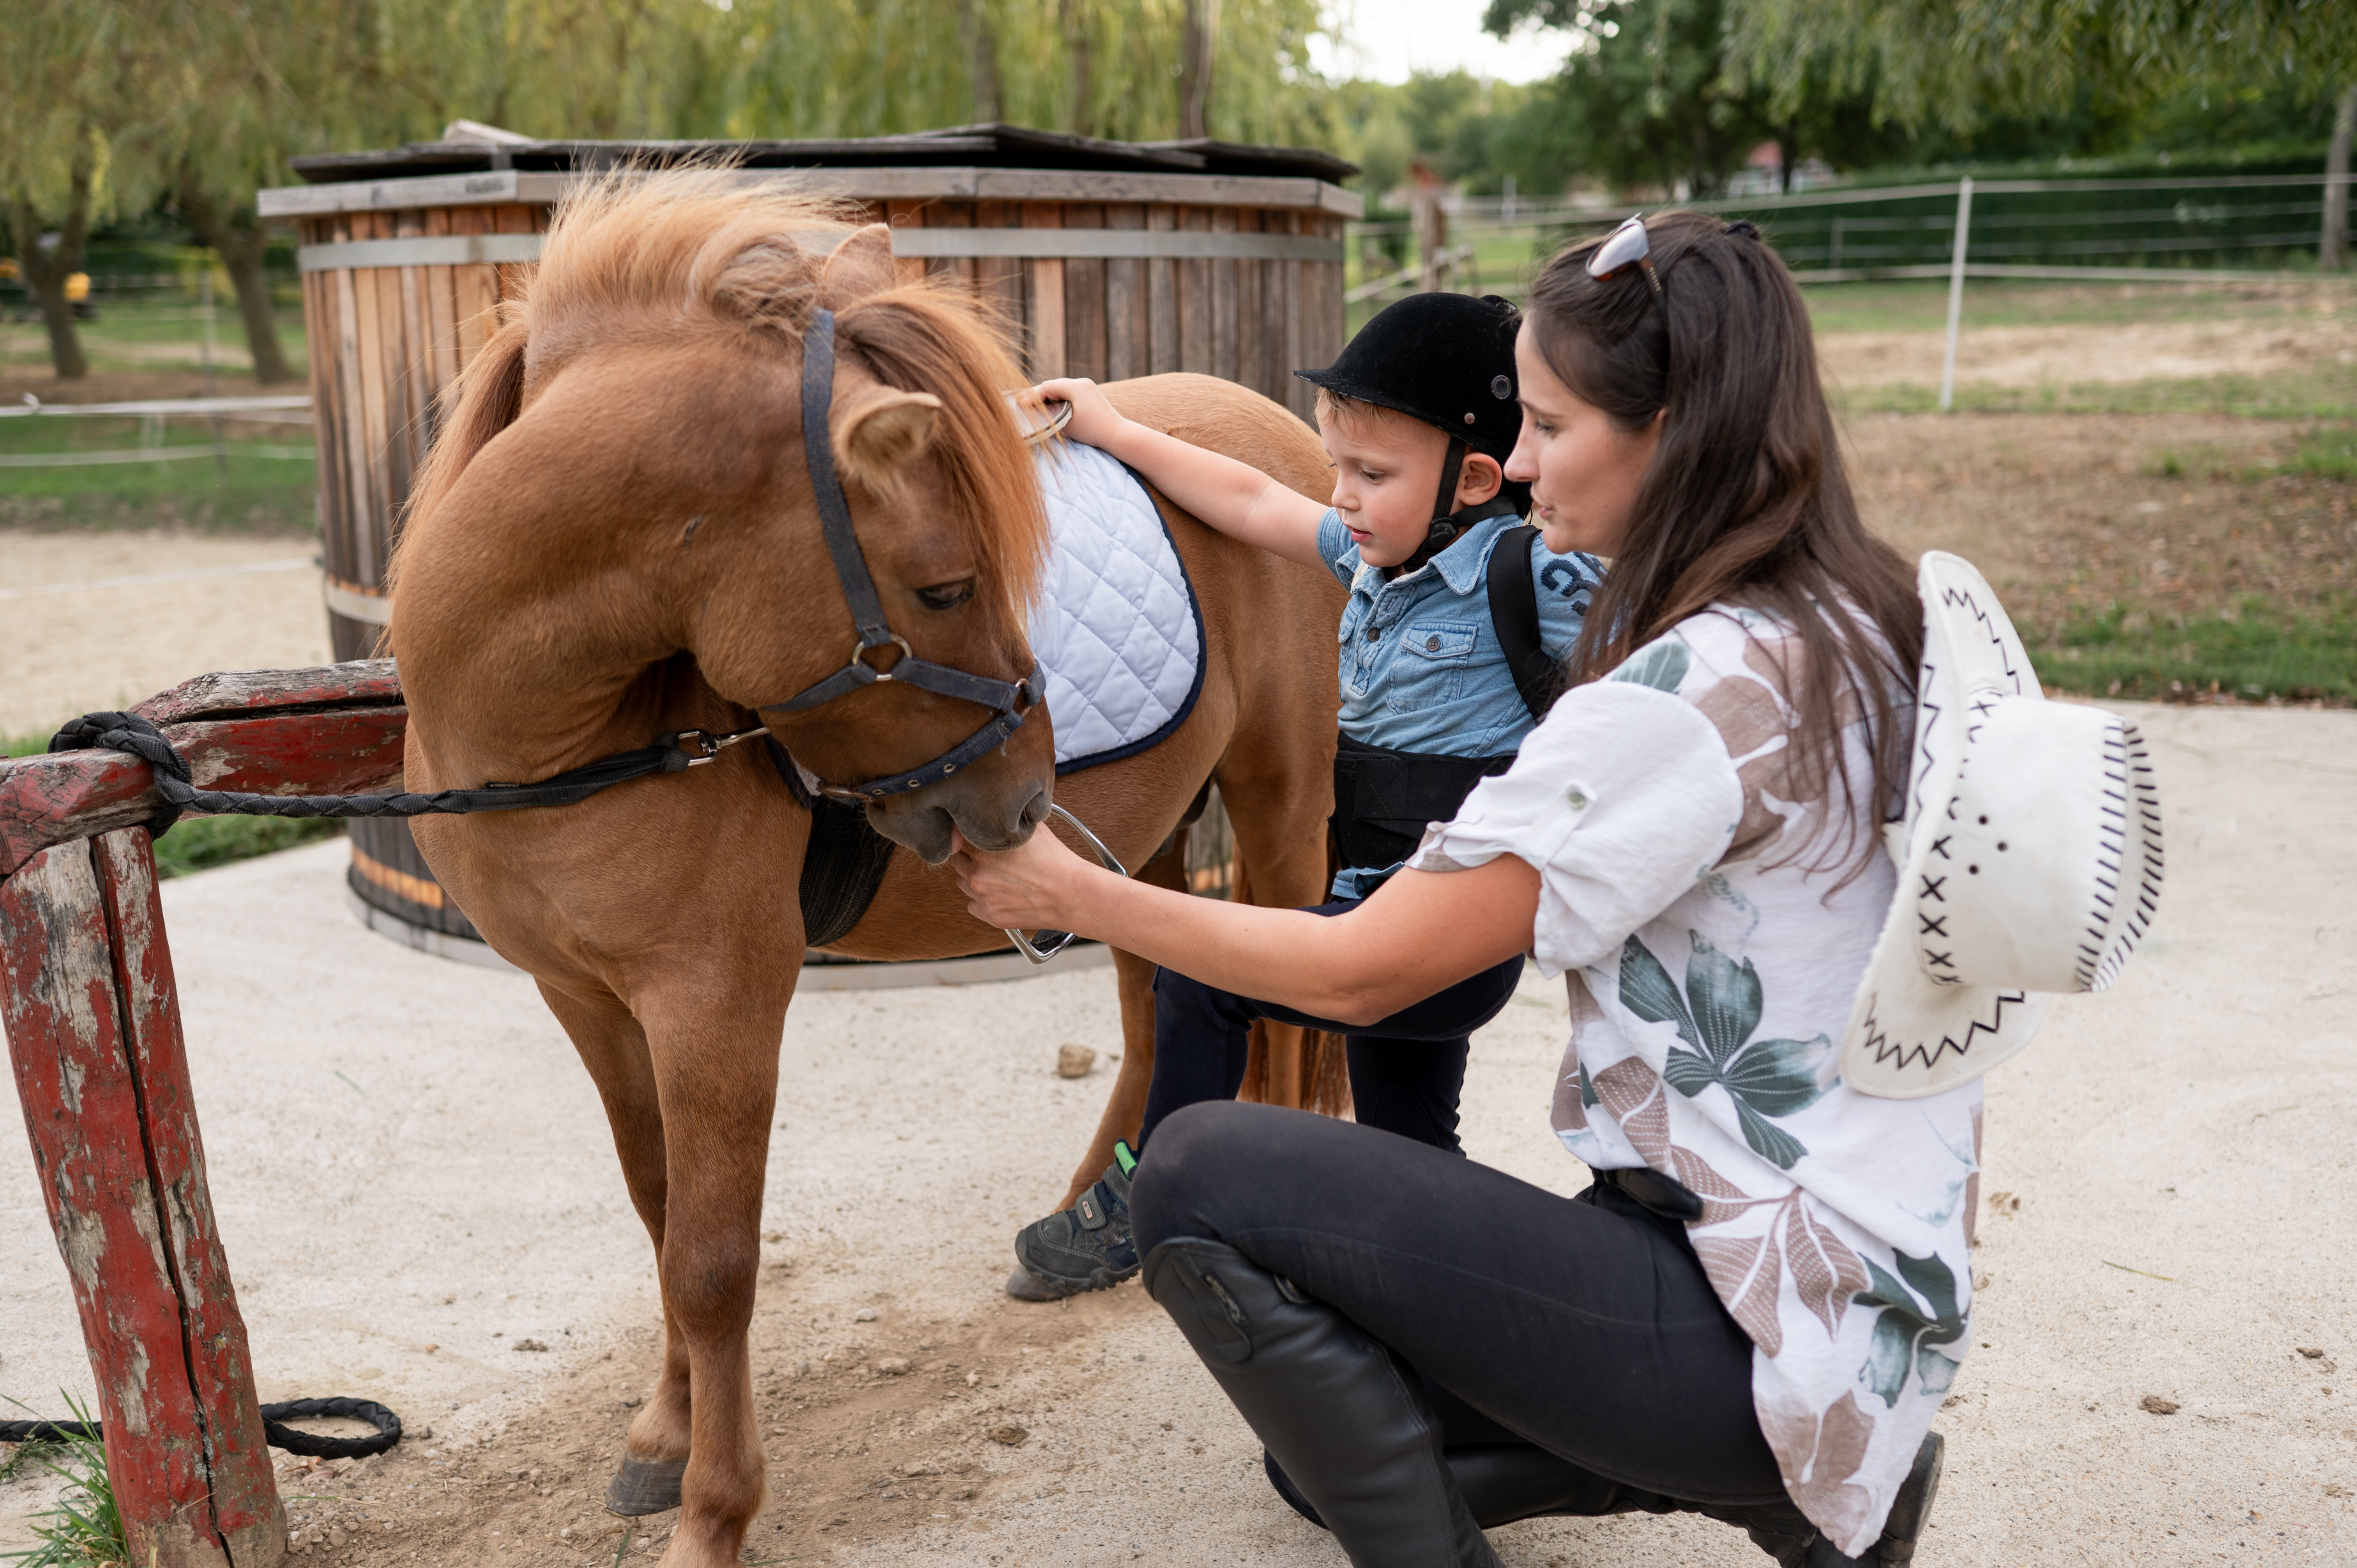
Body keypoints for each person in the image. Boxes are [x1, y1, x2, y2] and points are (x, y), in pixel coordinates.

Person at [953, 212, 1966, 1566]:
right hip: (1849, 1287)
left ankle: (1755, 1458)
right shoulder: (1852, 616)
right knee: (1319, 1456)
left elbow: (1364, 971)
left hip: (1748, 1307)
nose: (1523, 465)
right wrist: (1128, 434)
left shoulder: (1682, 695)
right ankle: (1803, 1489)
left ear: (1673, 427)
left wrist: (1081, 891)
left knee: (1197, 1175)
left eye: (1548, 427)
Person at [1006, 291, 1605, 1301]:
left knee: (1200, 977)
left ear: (1472, 476)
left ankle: (1145, 1193)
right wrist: (1114, 427)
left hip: (1444, 932)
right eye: (1337, 470)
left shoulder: (1527, 576)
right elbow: (1246, 499)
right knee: (1411, 1150)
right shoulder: (1372, 565)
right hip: (1378, 896)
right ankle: (1461, 1326)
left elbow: (1662, 645)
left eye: (1371, 475)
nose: (1342, 497)